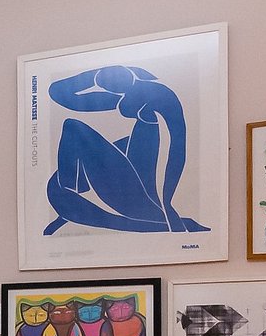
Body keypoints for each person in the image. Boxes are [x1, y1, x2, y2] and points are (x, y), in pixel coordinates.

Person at [42, 65, 208, 237]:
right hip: (136, 188)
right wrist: (96, 75)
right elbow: (60, 94)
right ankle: (75, 196)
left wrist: (167, 204)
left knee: (72, 127)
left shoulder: (152, 99)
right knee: (123, 141)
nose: (120, 103)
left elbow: (176, 152)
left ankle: (72, 194)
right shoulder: (137, 93)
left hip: (136, 198)